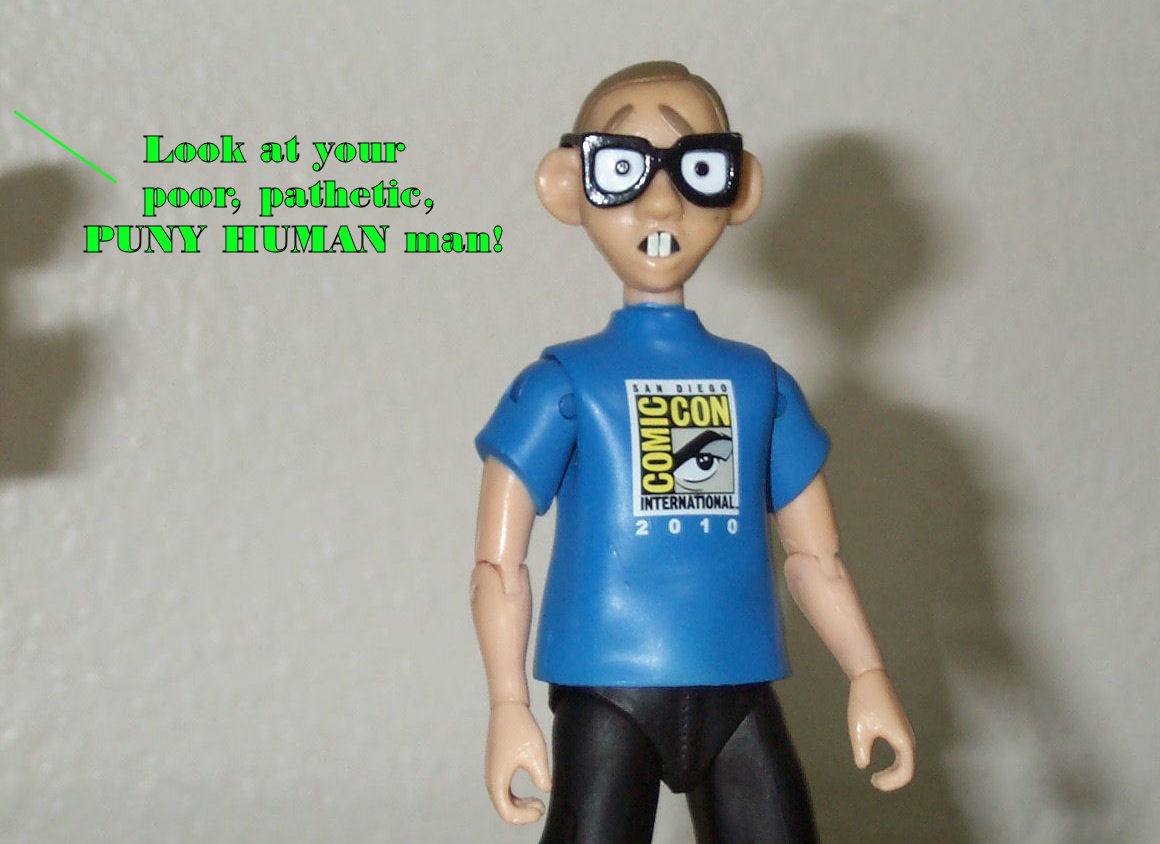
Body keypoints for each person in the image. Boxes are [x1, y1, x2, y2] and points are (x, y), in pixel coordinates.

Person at [471, 61, 914, 844]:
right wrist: (507, 704)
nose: (661, 201)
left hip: (737, 687)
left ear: (740, 190)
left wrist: (867, 673)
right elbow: (499, 566)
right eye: (622, 169)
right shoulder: (562, 385)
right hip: (607, 689)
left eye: (698, 169)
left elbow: (816, 560)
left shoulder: (761, 385)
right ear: (566, 186)